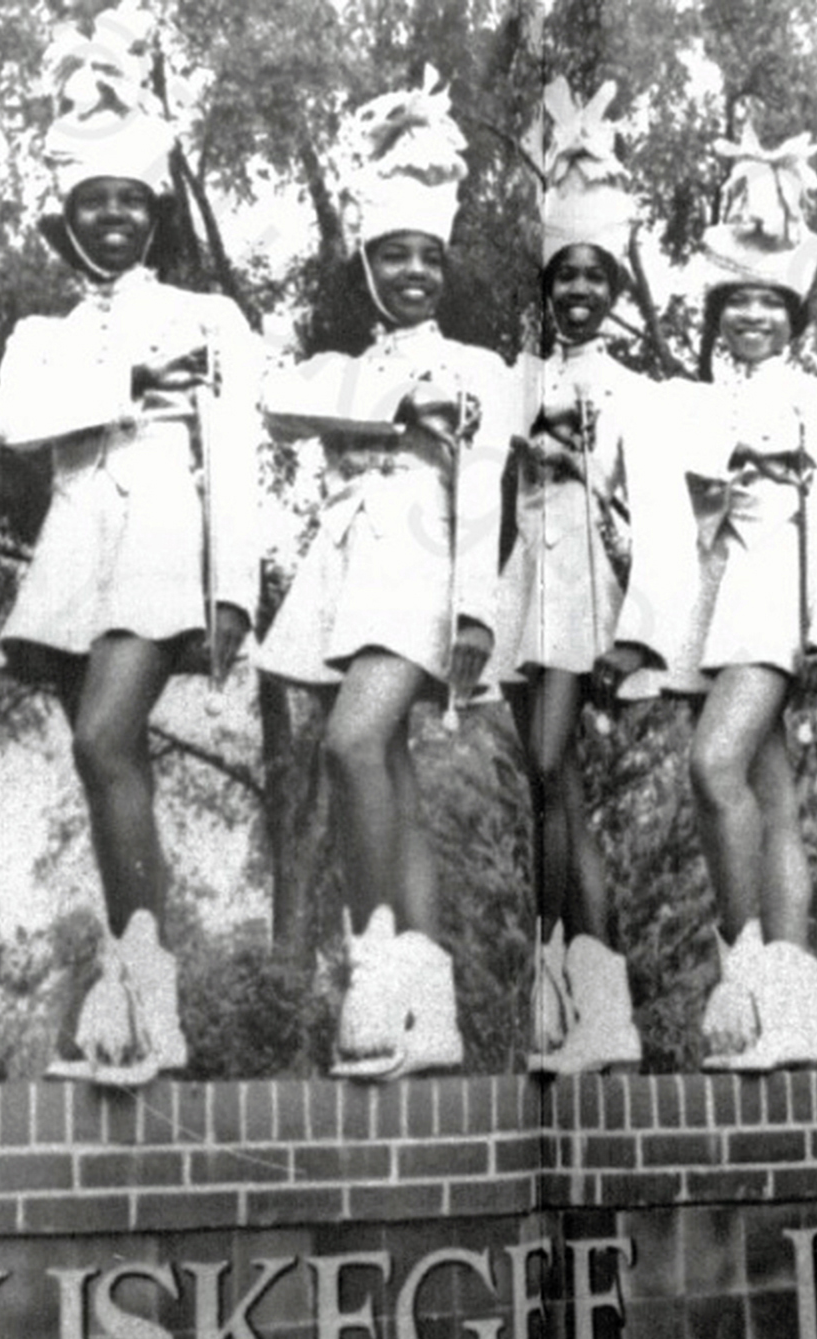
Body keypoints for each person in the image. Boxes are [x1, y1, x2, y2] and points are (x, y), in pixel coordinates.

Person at [0, 50, 262, 1085]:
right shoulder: (39, 335)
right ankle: (134, 977)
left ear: (154, 213)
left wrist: (233, 589)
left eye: (128, 203)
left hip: (160, 542)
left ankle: (150, 981)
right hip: (70, 555)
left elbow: (231, 454)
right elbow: (15, 420)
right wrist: (124, 376)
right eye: (91, 204)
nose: (111, 219)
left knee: (109, 737)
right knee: (104, 763)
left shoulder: (210, 318)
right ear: (68, 219)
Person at [257, 70, 519, 1080]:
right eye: (392, 254)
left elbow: (486, 491)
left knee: (354, 742)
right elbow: (280, 401)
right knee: (391, 773)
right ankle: (427, 995)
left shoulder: (480, 370)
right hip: (346, 577)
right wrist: (396, 405)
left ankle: (374, 957)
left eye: (428, 256)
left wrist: (476, 615)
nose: (413, 272)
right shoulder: (337, 366)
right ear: (363, 262)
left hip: (427, 568)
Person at [675, 129, 817, 1072]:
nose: (752, 317)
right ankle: (795, 1010)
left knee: (714, 767)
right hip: (712, 595)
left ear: (793, 314)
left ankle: (743, 975)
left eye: (769, 303)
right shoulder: (697, 401)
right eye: (736, 302)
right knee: (771, 792)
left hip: (777, 597)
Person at [492, 79, 647, 1075]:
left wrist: (583, 463)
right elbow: (489, 480)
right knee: (556, 795)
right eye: (565, 279)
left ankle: (560, 973)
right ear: (546, 290)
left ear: (616, 289)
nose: (579, 293)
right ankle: (603, 1005)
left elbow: (641, 514)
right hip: (520, 591)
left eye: (596, 278)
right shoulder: (519, 375)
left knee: (552, 770)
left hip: (585, 589)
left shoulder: (631, 389)